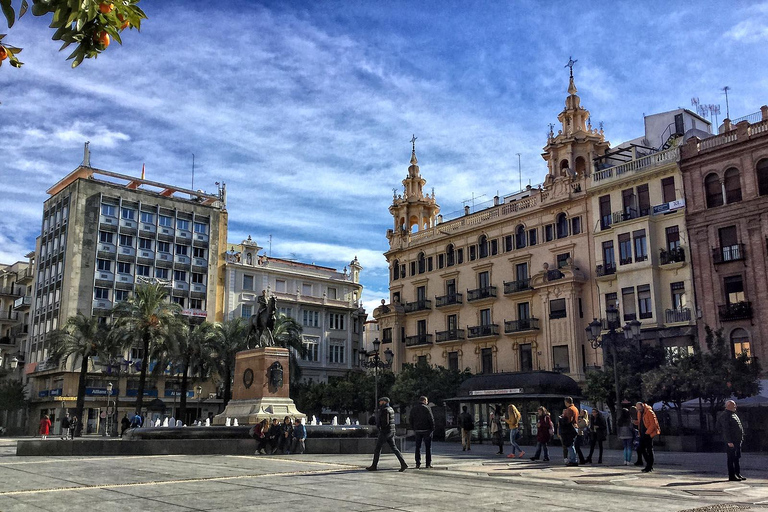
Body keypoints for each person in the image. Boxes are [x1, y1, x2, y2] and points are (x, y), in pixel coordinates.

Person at [366, 396, 408, 472]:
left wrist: (381, 427)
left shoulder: (385, 410)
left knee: (377, 449)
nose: (379, 403)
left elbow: (386, 422)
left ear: (384, 402)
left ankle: (374, 466)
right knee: (394, 448)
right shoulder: (390, 409)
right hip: (391, 431)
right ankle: (403, 463)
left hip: (385, 432)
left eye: (381, 401)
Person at [717, 400, 745, 481]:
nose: (735, 407)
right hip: (731, 441)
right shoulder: (725, 415)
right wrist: (729, 441)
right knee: (731, 458)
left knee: (736, 457)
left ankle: (737, 473)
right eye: (733, 405)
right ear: (728, 406)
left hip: (737, 440)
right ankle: (732, 476)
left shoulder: (733, 414)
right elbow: (725, 429)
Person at [409, 396, 435, 468]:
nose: (427, 402)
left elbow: (410, 419)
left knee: (417, 447)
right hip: (427, 430)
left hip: (417, 430)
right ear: (424, 401)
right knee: (428, 447)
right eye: (426, 401)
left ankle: (418, 463)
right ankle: (428, 463)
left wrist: (413, 428)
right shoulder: (427, 408)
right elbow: (431, 419)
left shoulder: (414, 408)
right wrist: (432, 428)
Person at [636, 401, 660, 473]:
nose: (639, 410)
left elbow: (653, 424)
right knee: (641, 449)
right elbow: (641, 422)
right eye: (638, 409)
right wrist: (636, 423)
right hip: (642, 433)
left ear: (643, 406)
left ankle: (649, 466)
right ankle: (648, 464)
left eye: (639, 409)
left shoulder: (649, 412)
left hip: (648, 433)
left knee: (649, 449)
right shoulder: (639, 413)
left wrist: (647, 433)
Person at [562, 397, 579, 466]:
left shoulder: (569, 409)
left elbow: (568, 420)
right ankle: (573, 459)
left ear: (567, 402)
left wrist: (562, 418)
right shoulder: (575, 408)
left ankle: (573, 460)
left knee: (570, 445)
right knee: (571, 445)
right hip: (575, 427)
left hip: (569, 428)